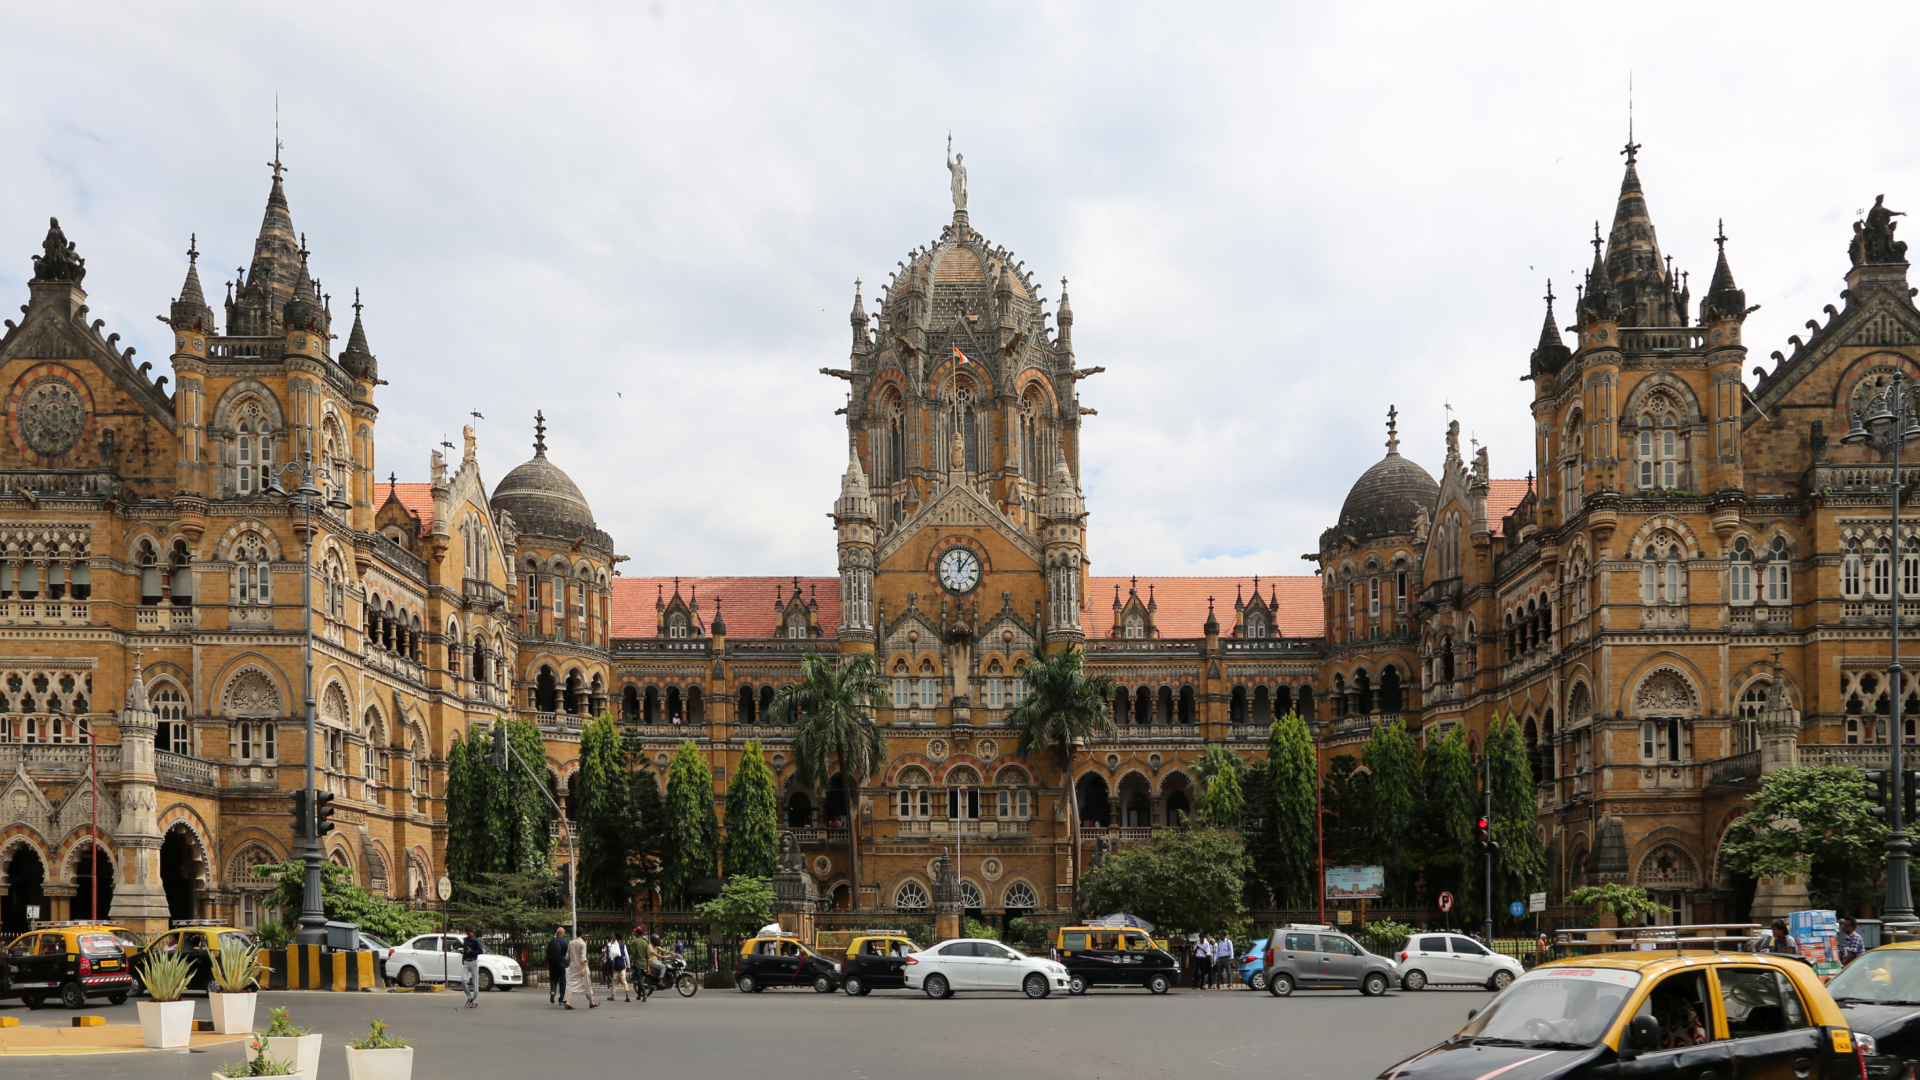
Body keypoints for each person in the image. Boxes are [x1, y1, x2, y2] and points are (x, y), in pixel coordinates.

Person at [564, 928, 598, 1010]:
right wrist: (583, 968)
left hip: (572, 967)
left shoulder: (571, 943)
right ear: (582, 935)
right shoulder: (582, 944)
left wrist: (569, 966)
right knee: (587, 984)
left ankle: (567, 1001)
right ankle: (591, 1001)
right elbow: (583, 957)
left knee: (570, 984)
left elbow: (568, 956)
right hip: (581, 966)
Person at [459, 928, 484, 1009]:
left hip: (473, 962)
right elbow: (465, 950)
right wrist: (464, 951)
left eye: (469, 933)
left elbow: (481, 951)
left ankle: (475, 1001)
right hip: (466, 962)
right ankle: (470, 997)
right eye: (467, 933)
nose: (468, 934)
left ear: (472, 932)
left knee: (475, 983)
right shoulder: (466, 940)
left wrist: (472, 952)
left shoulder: (475, 941)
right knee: (463, 980)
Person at [544, 926, 570, 1006]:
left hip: (552, 963)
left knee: (553, 979)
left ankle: (553, 991)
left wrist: (548, 962)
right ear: (563, 934)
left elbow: (548, 952)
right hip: (562, 963)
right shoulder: (565, 942)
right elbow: (568, 954)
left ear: (556, 932)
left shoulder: (551, 941)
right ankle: (561, 999)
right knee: (562, 982)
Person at [605, 931, 632, 1002]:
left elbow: (610, 954)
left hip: (616, 965)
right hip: (623, 965)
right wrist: (629, 966)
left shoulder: (613, 945)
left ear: (615, 937)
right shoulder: (623, 945)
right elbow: (626, 956)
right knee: (624, 981)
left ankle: (613, 996)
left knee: (614, 981)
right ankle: (627, 995)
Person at [632, 932, 657, 1000]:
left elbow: (633, 954)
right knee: (641, 980)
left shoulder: (635, 941)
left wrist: (630, 962)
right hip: (644, 964)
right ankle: (639, 995)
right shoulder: (645, 943)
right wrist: (648, 967)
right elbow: (647, 957)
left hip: (637, 963)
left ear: (637, 934)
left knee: (639, 979)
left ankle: (644, 993)